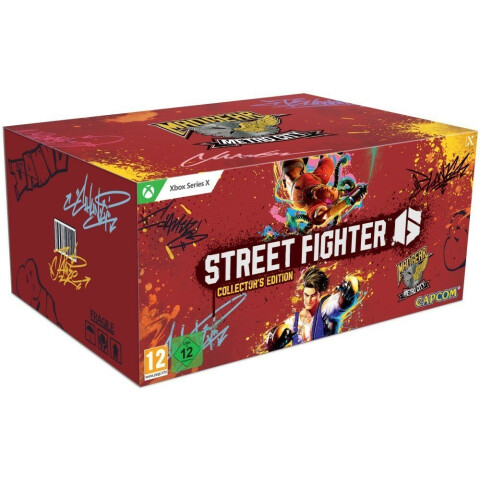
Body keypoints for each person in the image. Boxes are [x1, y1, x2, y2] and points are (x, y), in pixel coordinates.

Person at [267, 266, 359, 351]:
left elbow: (348, 295)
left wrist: (349, 287)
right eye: (306, 295)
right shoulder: (294, 321)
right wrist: (278, 342)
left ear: (320, 294)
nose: (309, 300)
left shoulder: (326, 310)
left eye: (313, 296)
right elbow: (272, 342)